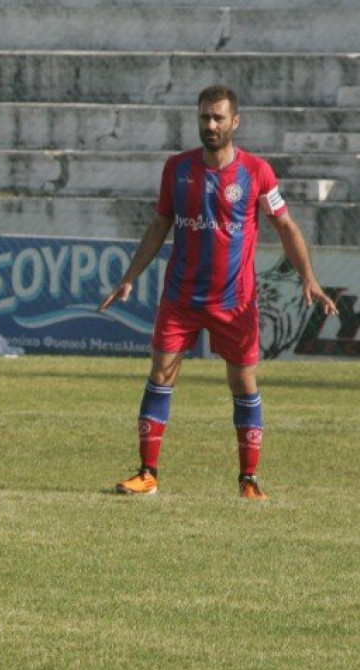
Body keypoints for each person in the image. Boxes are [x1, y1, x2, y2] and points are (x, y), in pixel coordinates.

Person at [98, 86, 338, 499]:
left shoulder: (257, 173)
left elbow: (286, 227)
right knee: (159, 376)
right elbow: (159, 225)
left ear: (235, 122)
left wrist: (308, 279)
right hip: (181, 298)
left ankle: (248, 481)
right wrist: (130, 276)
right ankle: (147, 474)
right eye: (204, 118)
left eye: (218, 118)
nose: (209, 125)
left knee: (244, 384)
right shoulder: (177, 169)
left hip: (235, 301)